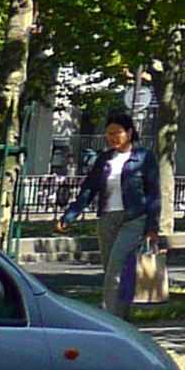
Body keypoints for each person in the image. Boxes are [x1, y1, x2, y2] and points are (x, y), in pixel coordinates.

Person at [60, 111, 161, 319]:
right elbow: (89, 189)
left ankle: (110, 320)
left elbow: (153, 194)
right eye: (109, 134)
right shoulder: (104, 159)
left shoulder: (144, 158)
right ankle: (123, 319)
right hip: (107, 219)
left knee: (116, 272)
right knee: (111, 273)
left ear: (130, 132)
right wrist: (70, 215)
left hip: (134, 219)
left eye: (118, 132)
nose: (113, 137)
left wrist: (152, 227)